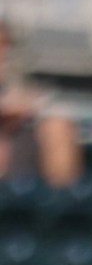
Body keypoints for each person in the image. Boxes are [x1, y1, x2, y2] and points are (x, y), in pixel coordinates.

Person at [0, 23, 83, 187]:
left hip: (22, 168)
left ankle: (55, 204)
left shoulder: (24, 89)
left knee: (57, 127)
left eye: (4, 46)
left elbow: (38, 102)